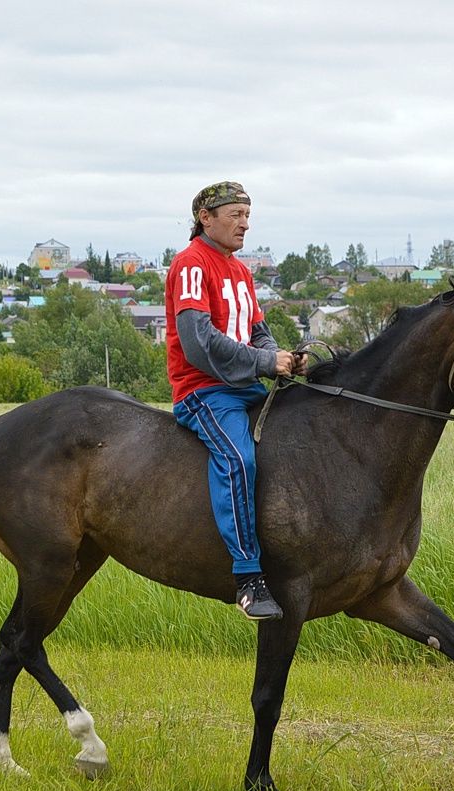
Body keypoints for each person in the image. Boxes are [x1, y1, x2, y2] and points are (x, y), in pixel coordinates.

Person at [165, 181, 303, 622]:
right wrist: (265, 360)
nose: (245, 224)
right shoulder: (190, 264)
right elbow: (198, 342)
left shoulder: (241, 271)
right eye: (236, 215)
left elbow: (258, 331)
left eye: (248, 215)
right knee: (238, 459)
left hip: (246, 386)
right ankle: (247, 577)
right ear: (206, 217)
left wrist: (283, 358)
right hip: (203, 391)